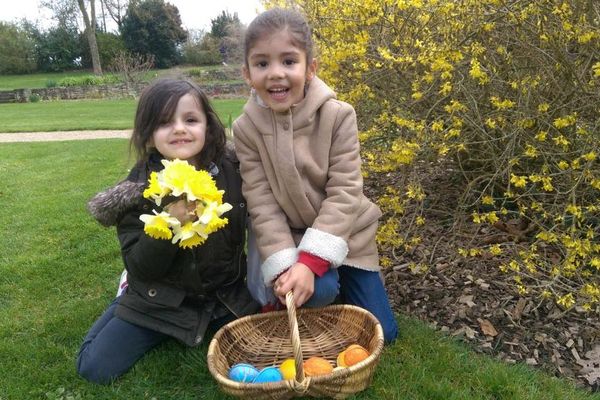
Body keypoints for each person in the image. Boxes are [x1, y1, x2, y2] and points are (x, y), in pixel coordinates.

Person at [77, 78, 259, 384]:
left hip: (224, 295)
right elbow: (142, 266)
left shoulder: (233, 170)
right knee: (94, 368)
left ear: (208, 127)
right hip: (160, 299)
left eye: (190, 119)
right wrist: (171, 221)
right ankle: (126, 297)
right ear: (149, 135)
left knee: (268, 344)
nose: (179, 129)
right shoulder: (138, 191)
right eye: (164, 122)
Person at [233, 8, 398, 343]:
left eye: (289, 61)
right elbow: (262, 204)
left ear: (310, 68)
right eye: (262, 63)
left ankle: (335, 282)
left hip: (350, 234)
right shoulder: (246, 129)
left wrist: (311, 262)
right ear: (247, 73)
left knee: (385, 334)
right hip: (292, 237)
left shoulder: (338, 116)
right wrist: (287, 266)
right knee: (319, 290)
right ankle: (313, 298)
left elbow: (345, 191)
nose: (276, 74)